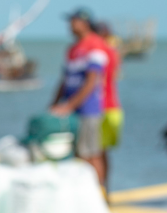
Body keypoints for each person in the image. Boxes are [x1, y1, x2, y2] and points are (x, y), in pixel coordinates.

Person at [50, 8, 109, 189]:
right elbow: (64, 80)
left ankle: (99, 195)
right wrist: (54, 103)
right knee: (76, 154)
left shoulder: (95, 46)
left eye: (73, 21)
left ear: (84, 23)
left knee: (91, 154)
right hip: (72, 110)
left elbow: (92, 82)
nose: (70, 25)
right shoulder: (73, 49)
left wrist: (69, 105)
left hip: (88, 109)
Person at [94, 20, 123, 199]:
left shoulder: (98, 53)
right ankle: (106, 191)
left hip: (100, 108)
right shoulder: (113, 52)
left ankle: (99, 194)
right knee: (103, 153)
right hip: (114, 108)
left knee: (92, 153)